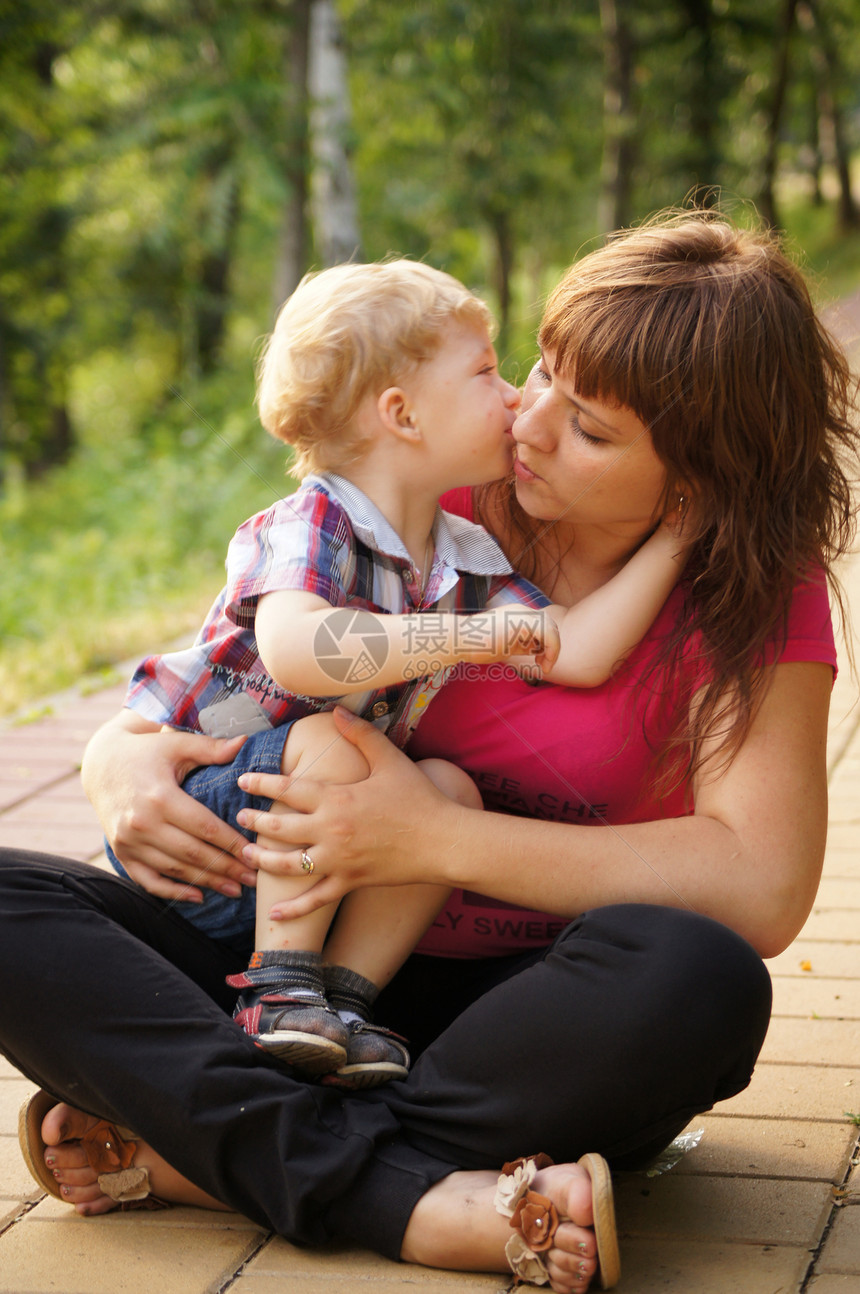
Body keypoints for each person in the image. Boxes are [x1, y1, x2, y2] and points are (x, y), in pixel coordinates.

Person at [2, 209, 856, 1294]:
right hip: (282, 974)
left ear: (693, 482)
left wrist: (437, 839)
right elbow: (238, 666)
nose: (530, 423)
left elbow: (761, 883)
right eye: (539, 372)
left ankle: (216, 1150)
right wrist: (115, 761)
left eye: (589, 429)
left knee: (702, 981)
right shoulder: (437, 491)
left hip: (512, 1016)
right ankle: (403, 1187)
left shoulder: (745, 596)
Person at [110, 259, 689, 1088]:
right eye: (489, 372)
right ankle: (276, 990)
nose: (517, 400)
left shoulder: (459, 556)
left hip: (312, 843)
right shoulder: (316, 517)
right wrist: (472, 639)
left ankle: (341, 1005)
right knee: (330, 739)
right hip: (210, 819)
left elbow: (572, 646)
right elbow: (298, 650)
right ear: (402, 413)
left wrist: (682, 530)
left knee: (444, 791)